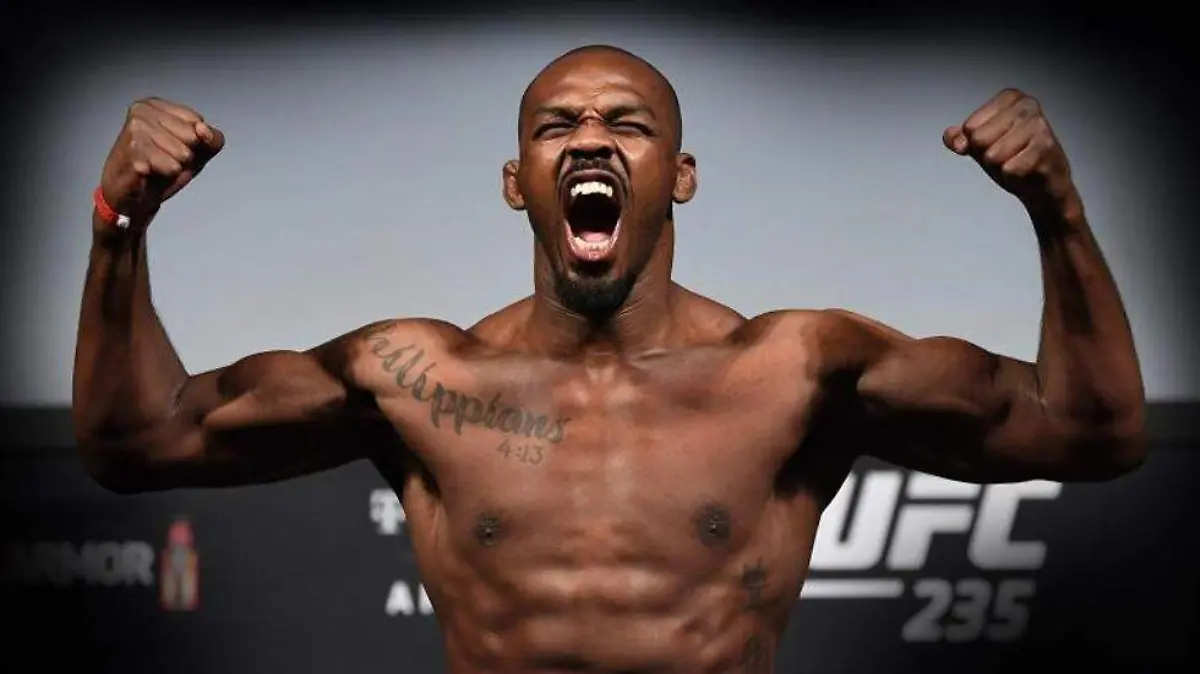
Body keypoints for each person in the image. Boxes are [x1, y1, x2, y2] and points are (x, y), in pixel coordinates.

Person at [72, 44, 1146, 673]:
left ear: (680, 175)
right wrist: (119, 223)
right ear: (517, 182)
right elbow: (138, 441)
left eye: (626, 124)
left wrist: (1056, 211)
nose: (589, 138)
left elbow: (1092, 432)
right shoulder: (420, 380)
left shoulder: (793, 371)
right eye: (557, 127)